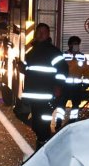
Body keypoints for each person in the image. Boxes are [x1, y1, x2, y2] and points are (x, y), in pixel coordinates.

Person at [20, 22, 68, 150]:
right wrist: (21, 68)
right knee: (36, 125)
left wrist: (58, 86)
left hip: (46, 95)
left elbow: (62, 71)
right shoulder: (31, 52)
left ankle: (44, 148)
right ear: (35, 35)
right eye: (39, 32)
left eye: (44, 32)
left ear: (48, 35)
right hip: (34, 96)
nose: (41, 34)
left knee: (42, 124)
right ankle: (42, 147)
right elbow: (28, 70)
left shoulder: (54, 52)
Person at [55, 35, 89, 131]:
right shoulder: (63, 56)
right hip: (65, 86)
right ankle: (58, 123)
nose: (76, 46)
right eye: (74, 44)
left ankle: (72, 122)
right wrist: (58, 83)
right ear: (69, 45)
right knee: (61, 105)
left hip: (77, 87)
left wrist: (86, 83)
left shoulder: (83, 57)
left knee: (75, 106)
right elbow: (58, 70)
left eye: (77, 44)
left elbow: (86, 71)